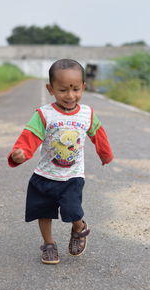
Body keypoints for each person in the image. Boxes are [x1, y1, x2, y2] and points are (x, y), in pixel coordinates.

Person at [7, 59, 113, 264]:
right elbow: (29, 137)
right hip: (44, 176)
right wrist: (19, 153)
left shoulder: (86, 113)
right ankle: (49, 244)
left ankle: (79, 227)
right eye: (63, 89)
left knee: (72, 210)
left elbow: (98, 134)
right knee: (43, 211)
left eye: (75, 89)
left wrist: (105, 154)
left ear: (83, 87)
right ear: (51, 89)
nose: (70, 95)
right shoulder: (44, 114)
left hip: (72, 177)